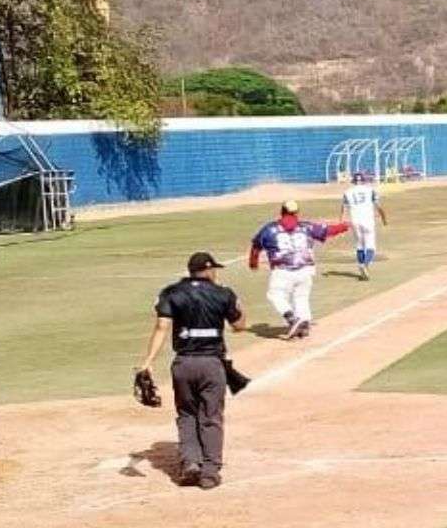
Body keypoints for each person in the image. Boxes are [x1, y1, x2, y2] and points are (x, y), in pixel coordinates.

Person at [139, 251, 247, 490]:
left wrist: (148, 361)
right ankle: (209, 472)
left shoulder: (172, 293)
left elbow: (161, 327)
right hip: (212, 364)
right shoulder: (223, 294)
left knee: (187, 414)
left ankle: (190, 463)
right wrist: (238, 303)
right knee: (211, 417)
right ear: (209, 271)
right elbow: (240, 326)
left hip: (183, 364)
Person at [249, 200, 350, 339]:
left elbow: (256, 246)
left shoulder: (269, 229)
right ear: (296, 213)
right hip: (306, 270)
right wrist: (344, 226)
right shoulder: (306, 227)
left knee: (275, 295)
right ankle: (304, 324)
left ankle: (292, 319)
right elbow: (328, 231)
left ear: (282, 212)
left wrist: (253, 262)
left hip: (282, 270)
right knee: (301, 297)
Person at [340, 172, 388, 281]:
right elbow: (378, 206)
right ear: (364, 180)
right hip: (367, 220)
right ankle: (365, 265)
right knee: (370, 245)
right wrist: (384, 218)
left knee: (359, 245)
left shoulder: (347, 192)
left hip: (355, 220)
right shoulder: (370, 190)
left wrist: (341, 221)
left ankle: (361, 265)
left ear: (353, 181)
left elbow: (343, 208)